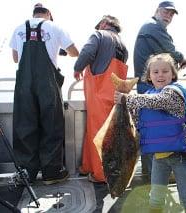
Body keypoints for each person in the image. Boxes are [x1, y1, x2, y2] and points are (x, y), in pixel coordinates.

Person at [114, 53, 186, 213]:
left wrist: (127, 98)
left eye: (165, 71)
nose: (160, 75)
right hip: (158, 157)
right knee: (156, 198)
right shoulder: (147, 95)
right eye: (156, 72)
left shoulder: (173, 93)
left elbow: (159, 101)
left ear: (173, 74)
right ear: (149, 76)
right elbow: (139, 119)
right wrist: (123, 104)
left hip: (181, 155)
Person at [9, 3, 79, 185]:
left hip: (24, 85)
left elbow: (16, 58)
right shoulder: (55, 27)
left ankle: (27, 173)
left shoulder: (18, 28)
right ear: (49, 14)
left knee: (25, 124)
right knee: (52, 124)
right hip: (47, 84)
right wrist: (59, 49)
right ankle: (51, 172)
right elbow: (74, 52)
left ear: (34, 14)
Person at [133, 0, 186, 178]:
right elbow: (170, 51)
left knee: (154, 126)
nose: (168, 16)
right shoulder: (152, 26)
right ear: (157, 11)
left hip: (150, 86)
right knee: (152, 128)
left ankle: (157, 171)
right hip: (150, 87)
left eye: (171, 14)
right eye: (165, 11)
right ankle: (154, 173)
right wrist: (182, 58)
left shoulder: (151, 28)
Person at [74, 15, 128, 183]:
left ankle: (100, 174)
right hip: (115, 97)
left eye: (99, 24)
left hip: (98, 96)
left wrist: (77, 68)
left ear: (104, 23)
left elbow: (87, 52)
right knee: (110, 134)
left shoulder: (99, 35)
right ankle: (87, 166)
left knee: (99, 134)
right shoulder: (123, 46)